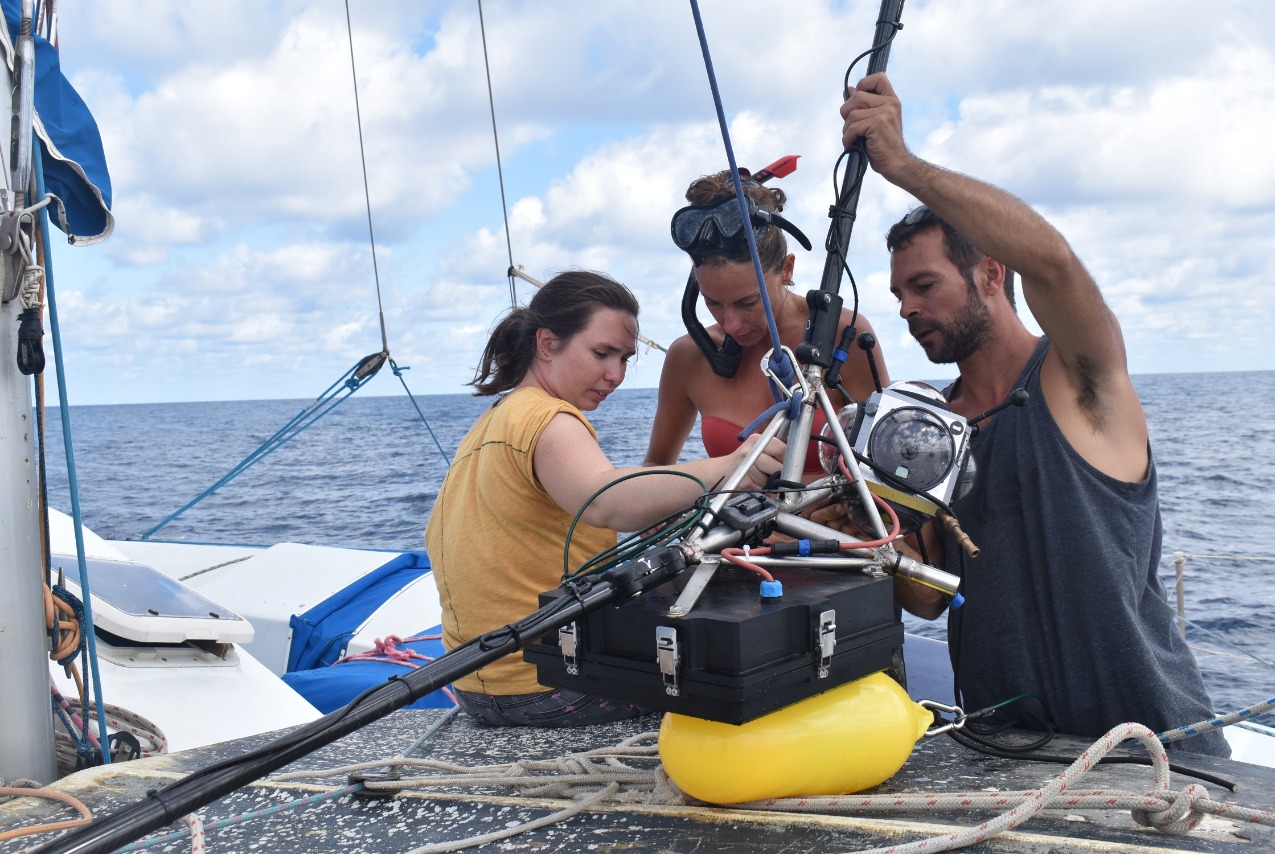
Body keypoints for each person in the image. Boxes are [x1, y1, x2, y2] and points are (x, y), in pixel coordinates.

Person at [832, 73, 1229, 756]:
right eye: (898, 293)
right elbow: (929, 598)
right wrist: (867, 534)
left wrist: (903, 166)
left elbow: (1055, 264)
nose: (905, 309)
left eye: (924, 285)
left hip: (1152, 752)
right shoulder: (931, 427)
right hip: (1004, 751)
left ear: (991, 271)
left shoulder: (1079, 374)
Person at [426, 270, 786, 727]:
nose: (614, 375)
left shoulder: (493, 422)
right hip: (545, 686)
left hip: (477, 685)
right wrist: (730, 466)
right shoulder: (549, 418)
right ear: (547, 344)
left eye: (624, 359)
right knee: (760, 677)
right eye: (601, 354)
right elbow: (605, 500)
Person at [643, 170, 888, 479]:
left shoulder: (843, 334)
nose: (731, 324)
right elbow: (655, 466)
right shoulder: (688, 355)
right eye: (713, 303)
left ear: (787, 269)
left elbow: (886, 463)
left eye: (747, 303)